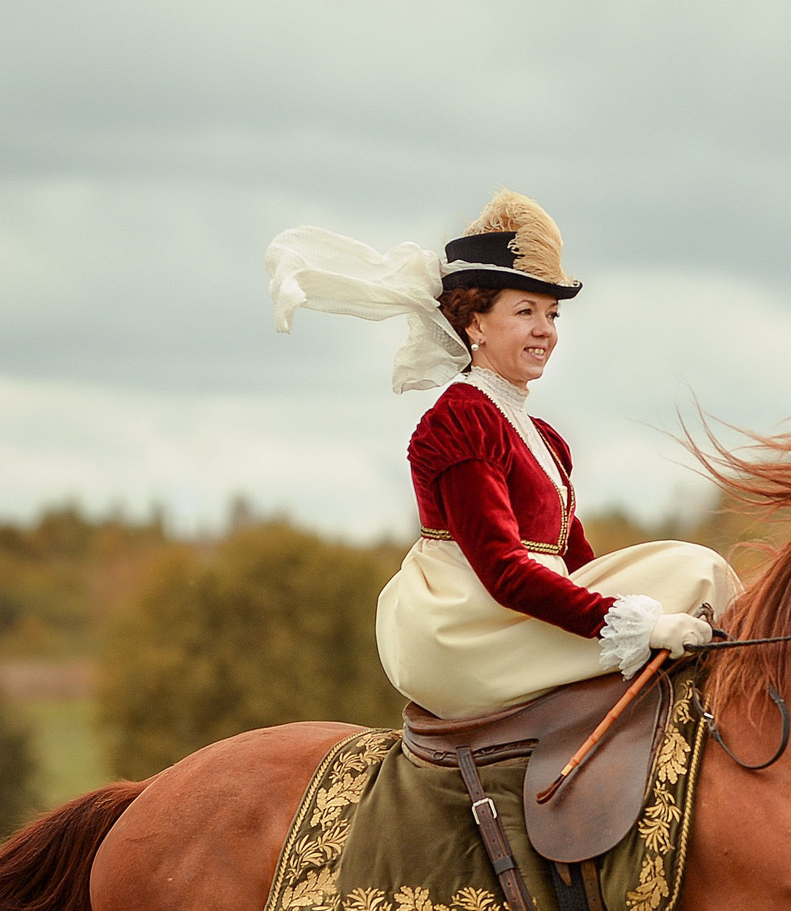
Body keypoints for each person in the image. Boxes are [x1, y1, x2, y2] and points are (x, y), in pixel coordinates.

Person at [268, 190, 737, 720]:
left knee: (699, 571)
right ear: (475, 325)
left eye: (552, 314)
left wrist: (626, 607)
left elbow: (579, 563)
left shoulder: (543, 437)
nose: (546, 330)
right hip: (470, 624)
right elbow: (503, 573)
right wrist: (639, 623)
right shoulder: (461, 419)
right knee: (697, 570)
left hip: (522, 610)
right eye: (525, 311)